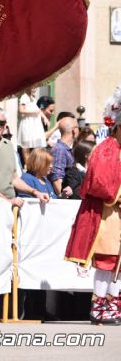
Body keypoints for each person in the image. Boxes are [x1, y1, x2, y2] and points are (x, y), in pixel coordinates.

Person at [65, 86, 121, 325]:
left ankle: (111, 303)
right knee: (106, 261)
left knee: (116, 262)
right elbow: (100, 184)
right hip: (107, 215)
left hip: (115, 213)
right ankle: (99, 306)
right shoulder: (106, 149)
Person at [0, 107, 51, 207]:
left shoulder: (8, 145)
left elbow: (15, 180)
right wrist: (7, 201)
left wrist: (35, 192)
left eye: (1, 123)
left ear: (5, 124)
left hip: (9, 204)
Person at [49, 117, 78, 195]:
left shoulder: (66, 149)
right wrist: (64, 198)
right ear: (74, 130)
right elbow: (57, 179)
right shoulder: (60, 150)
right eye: (78, 127)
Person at [17, 87, 46, 166]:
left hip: (34, 125)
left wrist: (45, 118)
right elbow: (21, 110)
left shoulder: (33, 98)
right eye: (33, 87)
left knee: (35, 146)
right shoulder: (24, 97)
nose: (35, 89)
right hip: (27, 124)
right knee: (26, 146)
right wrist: (34, 112)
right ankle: (27, 165)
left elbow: (38, 110)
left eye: (36, 87)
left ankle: (34, 165)